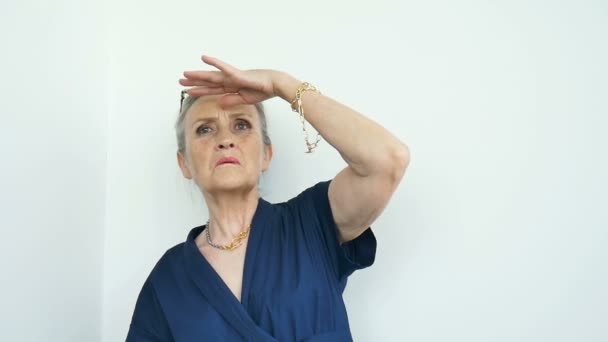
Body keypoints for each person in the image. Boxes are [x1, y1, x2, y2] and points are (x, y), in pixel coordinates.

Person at [126, 55, 410, 341]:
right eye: (205, 129)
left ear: (266, 155)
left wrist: (281, 84)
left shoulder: (311, 223)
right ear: (184, 163)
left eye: (241, 125)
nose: (225, 139)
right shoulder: (169, 280)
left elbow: (388, 160)